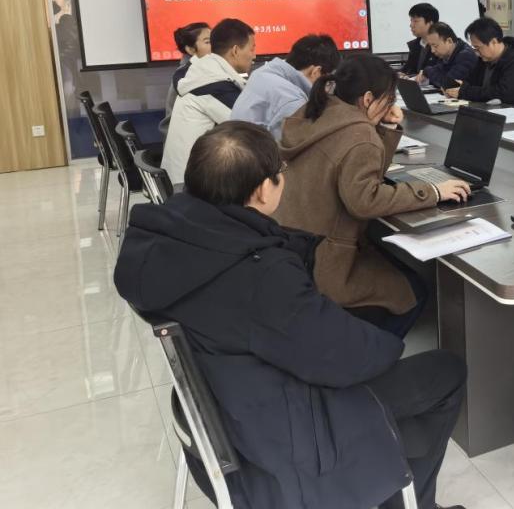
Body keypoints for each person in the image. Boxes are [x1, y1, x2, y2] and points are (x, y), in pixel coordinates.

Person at [114, 121, 467, 509]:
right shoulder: (259, 274)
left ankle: (391, 471)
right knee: (446, 371)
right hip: (284, 439)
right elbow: (344, 358)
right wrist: (388, 345)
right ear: (263, 190)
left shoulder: (163, 240)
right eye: (280, 174)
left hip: (225, 407)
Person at [275, 54, 470, 337]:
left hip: (294, 247)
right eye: (389, 98)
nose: (391, 105)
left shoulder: (317, 111)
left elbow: (365, 173)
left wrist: (385, 128)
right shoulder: (358, 134)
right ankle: (372, 353)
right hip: (326, 262)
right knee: (411, 292)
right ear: (368, 98)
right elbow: (365, 201)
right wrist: (433, 191)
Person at [162, 18, 255, 184]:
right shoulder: (213, 84)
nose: (254, 55)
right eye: (252, 49)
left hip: (183, 176)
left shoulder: (203, 73)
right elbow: (251, 128)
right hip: (191, 184)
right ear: (235, 50)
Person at [231, 34, 340, 139]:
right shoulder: (293, 102)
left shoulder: (262, 72)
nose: (327, 90)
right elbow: (292, 149)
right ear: (316, 72)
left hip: (233, 143)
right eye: (328, 83)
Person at [444, 17, 514, 109]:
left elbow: (503, 93)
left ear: (493, 42)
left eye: (478, 47)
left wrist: (465, 91)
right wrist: (456, 89)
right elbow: (470, 83)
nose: (476, 52)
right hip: (490, 111)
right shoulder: (483, 60)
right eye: (474, 48)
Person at [159, 22, 210, 136]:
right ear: (190, 49)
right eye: (207, 42)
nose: (215, 45)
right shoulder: (189, 75)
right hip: (184, 139)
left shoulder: (194, 69)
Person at [417, 21, 478, 90]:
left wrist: (427, 71)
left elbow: (449, 84)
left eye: (435, 46)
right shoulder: (445, 54)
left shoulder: (465, 55)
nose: (432, 50)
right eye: (430, 46)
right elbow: (438, 72)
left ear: (449, 41)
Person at [401, 3, 439, 76]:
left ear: (430, 23)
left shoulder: (440, 46)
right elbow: (407, 69)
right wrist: (401, 74)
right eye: (411, 21)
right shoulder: (415, 45)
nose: (411, 25)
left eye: (416, 21)